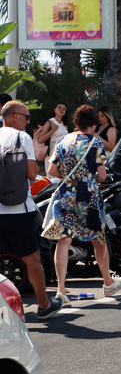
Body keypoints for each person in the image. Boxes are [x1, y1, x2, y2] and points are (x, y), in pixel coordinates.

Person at [42, 105, 121, 305]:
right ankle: (107, 283)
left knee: (63, 241)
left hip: (66, 196)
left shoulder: (63, 140)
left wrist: (71, 180)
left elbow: (52, 170)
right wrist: (86, 179)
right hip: (89, 196)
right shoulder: (96, 142)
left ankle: (61, 291)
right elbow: (103, 175)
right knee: (98, 240)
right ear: (93, 124)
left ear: (76, 122)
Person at [0, 101, 63, 319]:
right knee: (32, 258)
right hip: (18, 209)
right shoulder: (21, 137)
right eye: (26, 118)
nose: (28, 122)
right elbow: (30, 173)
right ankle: (44, 305)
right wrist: (36, 162)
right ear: (14, 117)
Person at [39, 102, 69, 179]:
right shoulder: (50, 122)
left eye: (64, 108)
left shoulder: (64, 124)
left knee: (61, 176)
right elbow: (41, 139)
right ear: (55, 110)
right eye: (59, 108)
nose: (61, 110)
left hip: (64, 151)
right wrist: (52, 130)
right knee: (51, 176)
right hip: (53, 150)